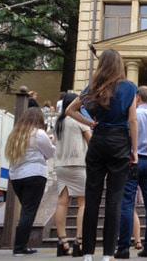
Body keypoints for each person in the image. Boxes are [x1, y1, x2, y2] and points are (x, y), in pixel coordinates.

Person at [66, 49, 138, 261]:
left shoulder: (92, 88)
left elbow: (70, 110)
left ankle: (88, 253)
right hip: (120, 143)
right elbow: (133, 121)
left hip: (98, 142)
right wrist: (134, 150)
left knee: (92, 198)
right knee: (114, 200)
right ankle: (107, 254)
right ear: (119, 65)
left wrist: (90, 123)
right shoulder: (129, 87)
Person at [115, 86, 147, 259]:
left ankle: (123, 248)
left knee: (127, 203)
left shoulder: (132, 116)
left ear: (137, 98)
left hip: (132, 161)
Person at [4, 108, 55, 256]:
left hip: (16, 176)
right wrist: (51, 141)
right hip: (34, 174)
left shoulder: (15, 134)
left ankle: (21, 245)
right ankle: (19, 247)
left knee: (26, 210)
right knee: (28, 212)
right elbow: (50, 153)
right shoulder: (38, 133)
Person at [53, 93, 92, 257]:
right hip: (78, 164)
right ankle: (79, 241)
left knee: (62, 202)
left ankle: (62, 242)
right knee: (83, 203)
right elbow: (91, 141)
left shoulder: (59, 122)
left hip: (61, 165)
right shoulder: (78, 120)